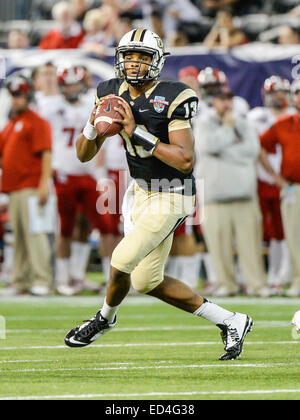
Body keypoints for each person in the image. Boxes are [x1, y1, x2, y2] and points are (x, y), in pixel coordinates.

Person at [64, 28, 253, 361]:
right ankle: (231, 320)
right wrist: (93, 125)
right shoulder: (109, 91)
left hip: (172, 193)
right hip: (139, 191)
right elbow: (82, 154)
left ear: (157, 61)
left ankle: (104, 319)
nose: (134, 63)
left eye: (142, 57)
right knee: (146, 280)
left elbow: (185, 159)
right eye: (129, 56)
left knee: (121, 261)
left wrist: (135, 131)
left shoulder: (175, 95)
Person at [35, 64, 116, 295]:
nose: (72, 88)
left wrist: (100, 173)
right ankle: (63, 278)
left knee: (98, 224)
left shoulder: (91, 108)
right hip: (62, 173)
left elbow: (100, 141)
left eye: (76, 83)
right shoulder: (50, 107)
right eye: (68, 84)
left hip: (88, 173)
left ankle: (78, 275)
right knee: (65, 227)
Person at [194, 83, 269, 297]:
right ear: (213, 101)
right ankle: (226, 284)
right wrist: (228, 131)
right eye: (221, 99)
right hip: (215, 197)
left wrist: (225, 151)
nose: (226, 103)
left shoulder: (244, 123)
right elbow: (207, 147)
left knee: (251, 245)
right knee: (218, 247)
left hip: (244, 195)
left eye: (229, 98)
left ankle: (257, 285)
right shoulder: (204, 123)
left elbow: (252, 151)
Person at [0, 75, 53, 296]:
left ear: (28, 95)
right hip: (14, 189)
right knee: (19, 238)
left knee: (35, 234)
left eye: (19, 95)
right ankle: (19, 281)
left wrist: (44, 184)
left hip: (30, 187)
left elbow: (46, 154)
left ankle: (42, 279)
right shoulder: (11, 124)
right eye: (13, 95)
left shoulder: (36, 122)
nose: (15, 100)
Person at [247, 76, 292, 291]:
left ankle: (283, 273)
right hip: (261, 180)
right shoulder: (257, 116)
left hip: (287, 181)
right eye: (275, 92)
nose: (279, 96)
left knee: (285, 231)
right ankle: (270, 274)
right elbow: (256, 148)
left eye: (283, 91)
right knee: (265, 231)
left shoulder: (293, 117)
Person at [259, 79, 300, 297]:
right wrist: (276, 178)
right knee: (293, 236)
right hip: (293, 187)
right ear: (293, 97)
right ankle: (297, 281)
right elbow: (261, 146)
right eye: (298, 93)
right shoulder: (283, 123)